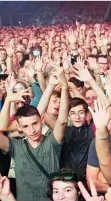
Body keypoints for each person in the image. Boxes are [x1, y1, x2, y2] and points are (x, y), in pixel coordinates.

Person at [0, 65, 69, 201]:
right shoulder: (15, 146)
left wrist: (64, 86)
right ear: (19, 127)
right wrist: (8, 100)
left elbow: (62, 121)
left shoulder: (52, 141)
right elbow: (2, 128)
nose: (32, 130)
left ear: (41, 120)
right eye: (26, 126)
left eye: (35, 124)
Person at [60, 98, 95, 181]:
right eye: (73, 113)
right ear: (68, 116)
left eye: (81, 113)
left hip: (88, 180)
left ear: (87, 114)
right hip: (67, 180)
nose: (77, 117)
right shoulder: (63, 131)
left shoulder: (92, 130)